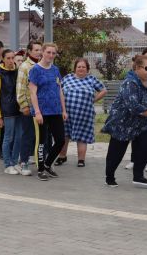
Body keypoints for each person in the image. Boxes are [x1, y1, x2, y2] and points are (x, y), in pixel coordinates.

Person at [102, 55, 147, 188]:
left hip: (140, 123)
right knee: (116, 153)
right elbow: (134, 107)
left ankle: (138, 176)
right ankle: (109, 177)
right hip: (122, 123)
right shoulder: (129, 83)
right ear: (137, 68)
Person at [56, 58, 107, 168]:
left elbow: (104, 90)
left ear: (87, 69)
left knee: (82, 137)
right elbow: (58, 90)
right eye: (79, 66)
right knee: (64, 136)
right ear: (75, 68)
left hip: (85, 115)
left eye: (83, 67)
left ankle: (81, 160)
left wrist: (93, 100)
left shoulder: (91, 79)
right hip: (66, 113)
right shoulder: (67, 78)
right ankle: (62, 157)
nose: (81, 68)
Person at [28, 43, 67, 181]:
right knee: (42, 142)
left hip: (55, 110)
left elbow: (60, 90)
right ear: (42, 52)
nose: (51, 55)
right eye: (48, 52)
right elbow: (33, 93)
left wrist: (63, 109)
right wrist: (37, 112)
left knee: (61, 140)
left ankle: (48, 164)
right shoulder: (35, 70)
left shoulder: (55, 70)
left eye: (53, 53)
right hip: (42, 112)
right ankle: (40, 170)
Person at [0, 49, 21, 174]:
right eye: (8, 58)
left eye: (12, 58)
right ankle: (7, 164)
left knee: (19, 137)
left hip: (20, 109)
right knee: (8, 138)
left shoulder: (18, 72)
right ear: (3, 59)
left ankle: (15, 162)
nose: (11, 61)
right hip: (7, 111)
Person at [16, 42, 41, 176]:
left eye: (40, 49)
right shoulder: (25, 66)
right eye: (36, 50)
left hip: (42, 107)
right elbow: (20, 88)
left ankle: (39, 161)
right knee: (28, 135)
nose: (39, 52)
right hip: (29, 107)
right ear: (29, 51)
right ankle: (23, 162)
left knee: (41, 136)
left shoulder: (42, 65)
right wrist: (23, 105)